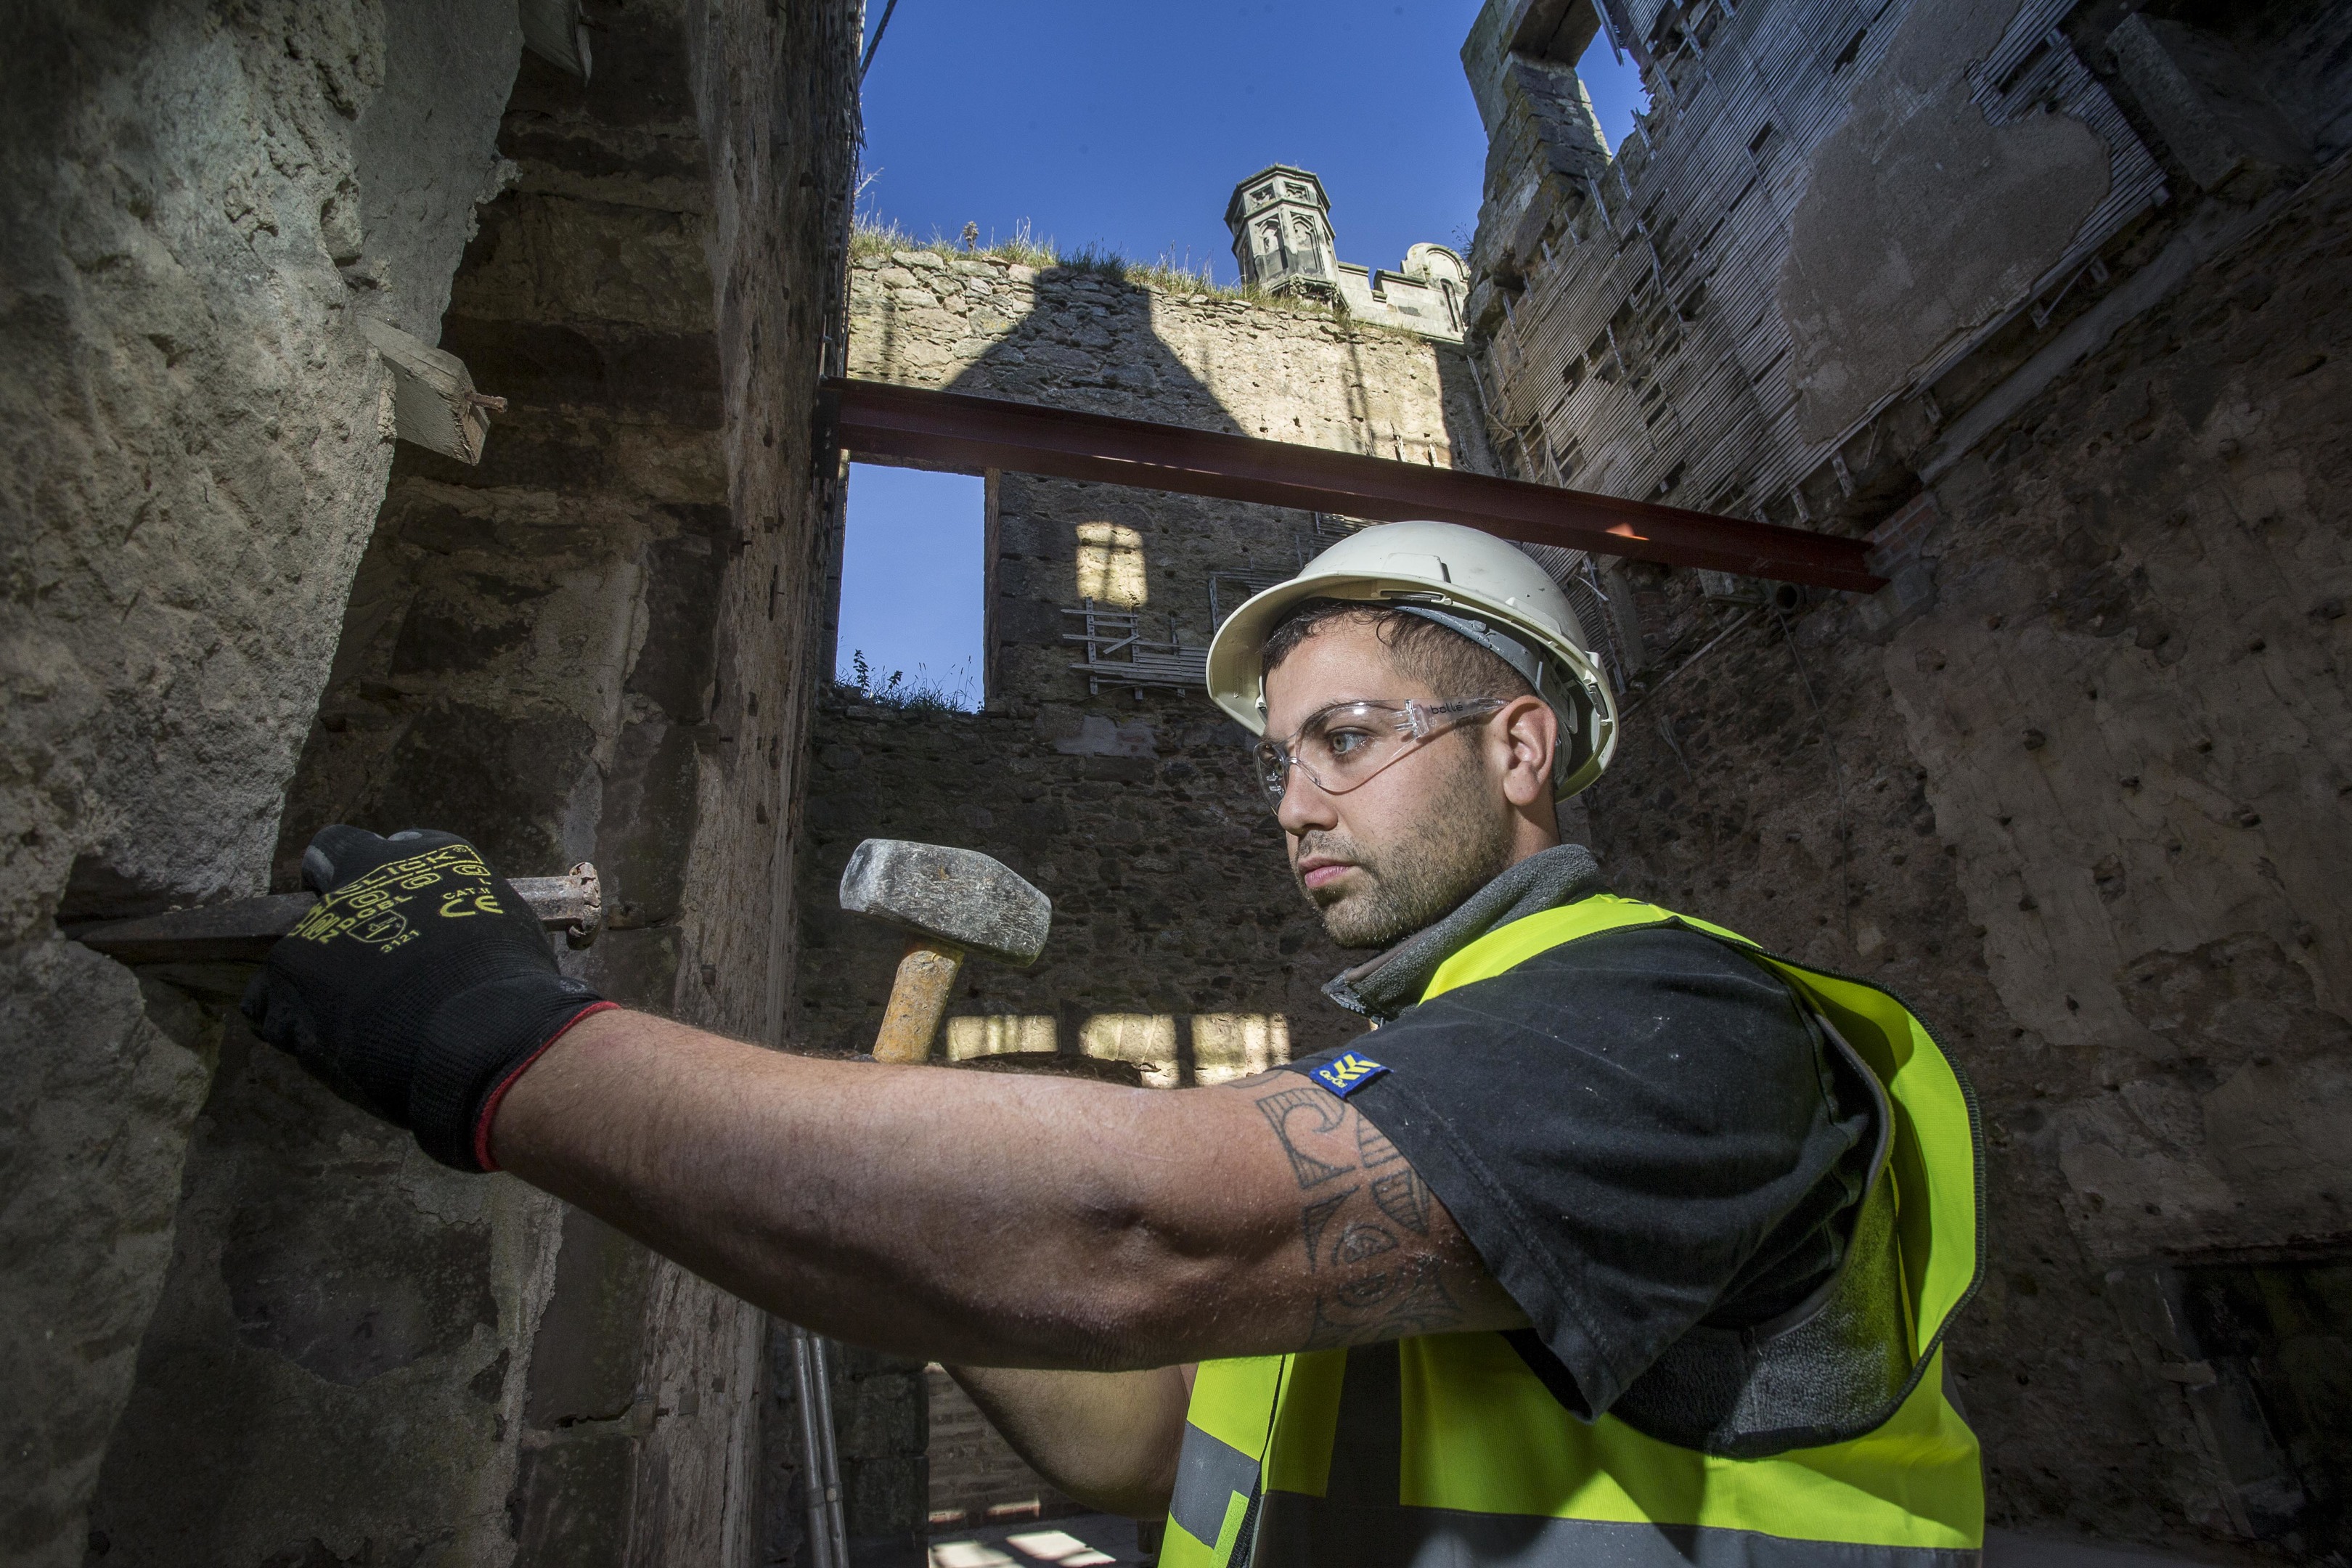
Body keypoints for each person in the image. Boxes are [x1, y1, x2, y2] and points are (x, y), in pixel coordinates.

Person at [245, 521, 1987, 1567]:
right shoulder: (1421, 1077)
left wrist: (491, 1036)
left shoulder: (1674, 1021)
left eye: (1351, 737)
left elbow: (1136, 1232)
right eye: (1277, 759)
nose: (1295, 804)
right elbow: (1130, 1450)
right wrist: (899, 1195)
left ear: (1521, 747)